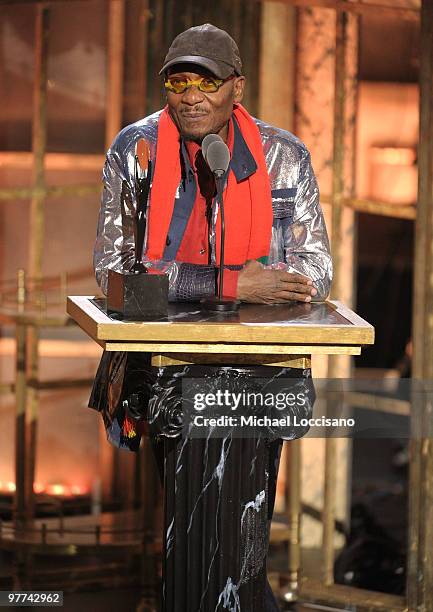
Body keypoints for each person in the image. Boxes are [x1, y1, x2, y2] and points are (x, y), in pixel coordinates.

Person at [91, 23, 332, 612]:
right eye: (178, 80)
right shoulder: (136, 150)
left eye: (207, 80)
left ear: (237, 88)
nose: (191, 94)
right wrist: (232, 283)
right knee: (192, 536)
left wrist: (185, 286)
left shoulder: (283, 155)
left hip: (258, 374)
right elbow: (114, 275)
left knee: (241, 541)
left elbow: (314, 272)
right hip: (172, 372)